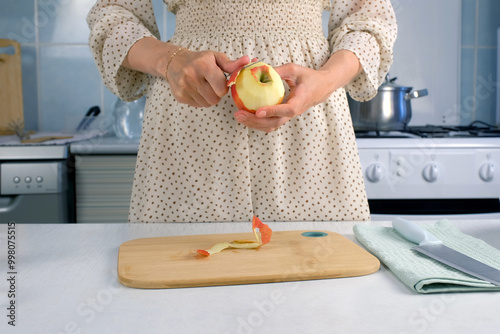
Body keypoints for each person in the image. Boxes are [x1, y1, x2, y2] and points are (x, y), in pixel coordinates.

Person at [87, 0, 397, 223]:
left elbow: (370, 18)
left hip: (308, 117)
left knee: (319, 282)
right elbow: (113, 15)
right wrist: (169, 59)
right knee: (179, 278)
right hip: (192, 117)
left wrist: (326, 80)